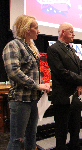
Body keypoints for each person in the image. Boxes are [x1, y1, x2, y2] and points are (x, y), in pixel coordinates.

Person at [2, 15, 50, 150]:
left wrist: (42, 83)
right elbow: (14, 72)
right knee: (17, 139)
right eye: (36, 28)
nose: (38, 31)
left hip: (33, 99)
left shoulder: (31, 47)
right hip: (20, 100)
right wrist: (37, 85)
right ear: (27, 29)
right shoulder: (13, 45)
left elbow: (34, 72)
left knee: (31, 137)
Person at [47, 22, 82, 150]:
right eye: (71, 31)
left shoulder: (71, 48)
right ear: (63, 32)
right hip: (63, 96)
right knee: (62, 129)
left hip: (76, 94)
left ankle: (75, 146)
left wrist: (80, 82)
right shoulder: (53, 49)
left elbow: (81, 66)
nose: (74, 34)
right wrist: (80, 80)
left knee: (75, 125)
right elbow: (60, 72)